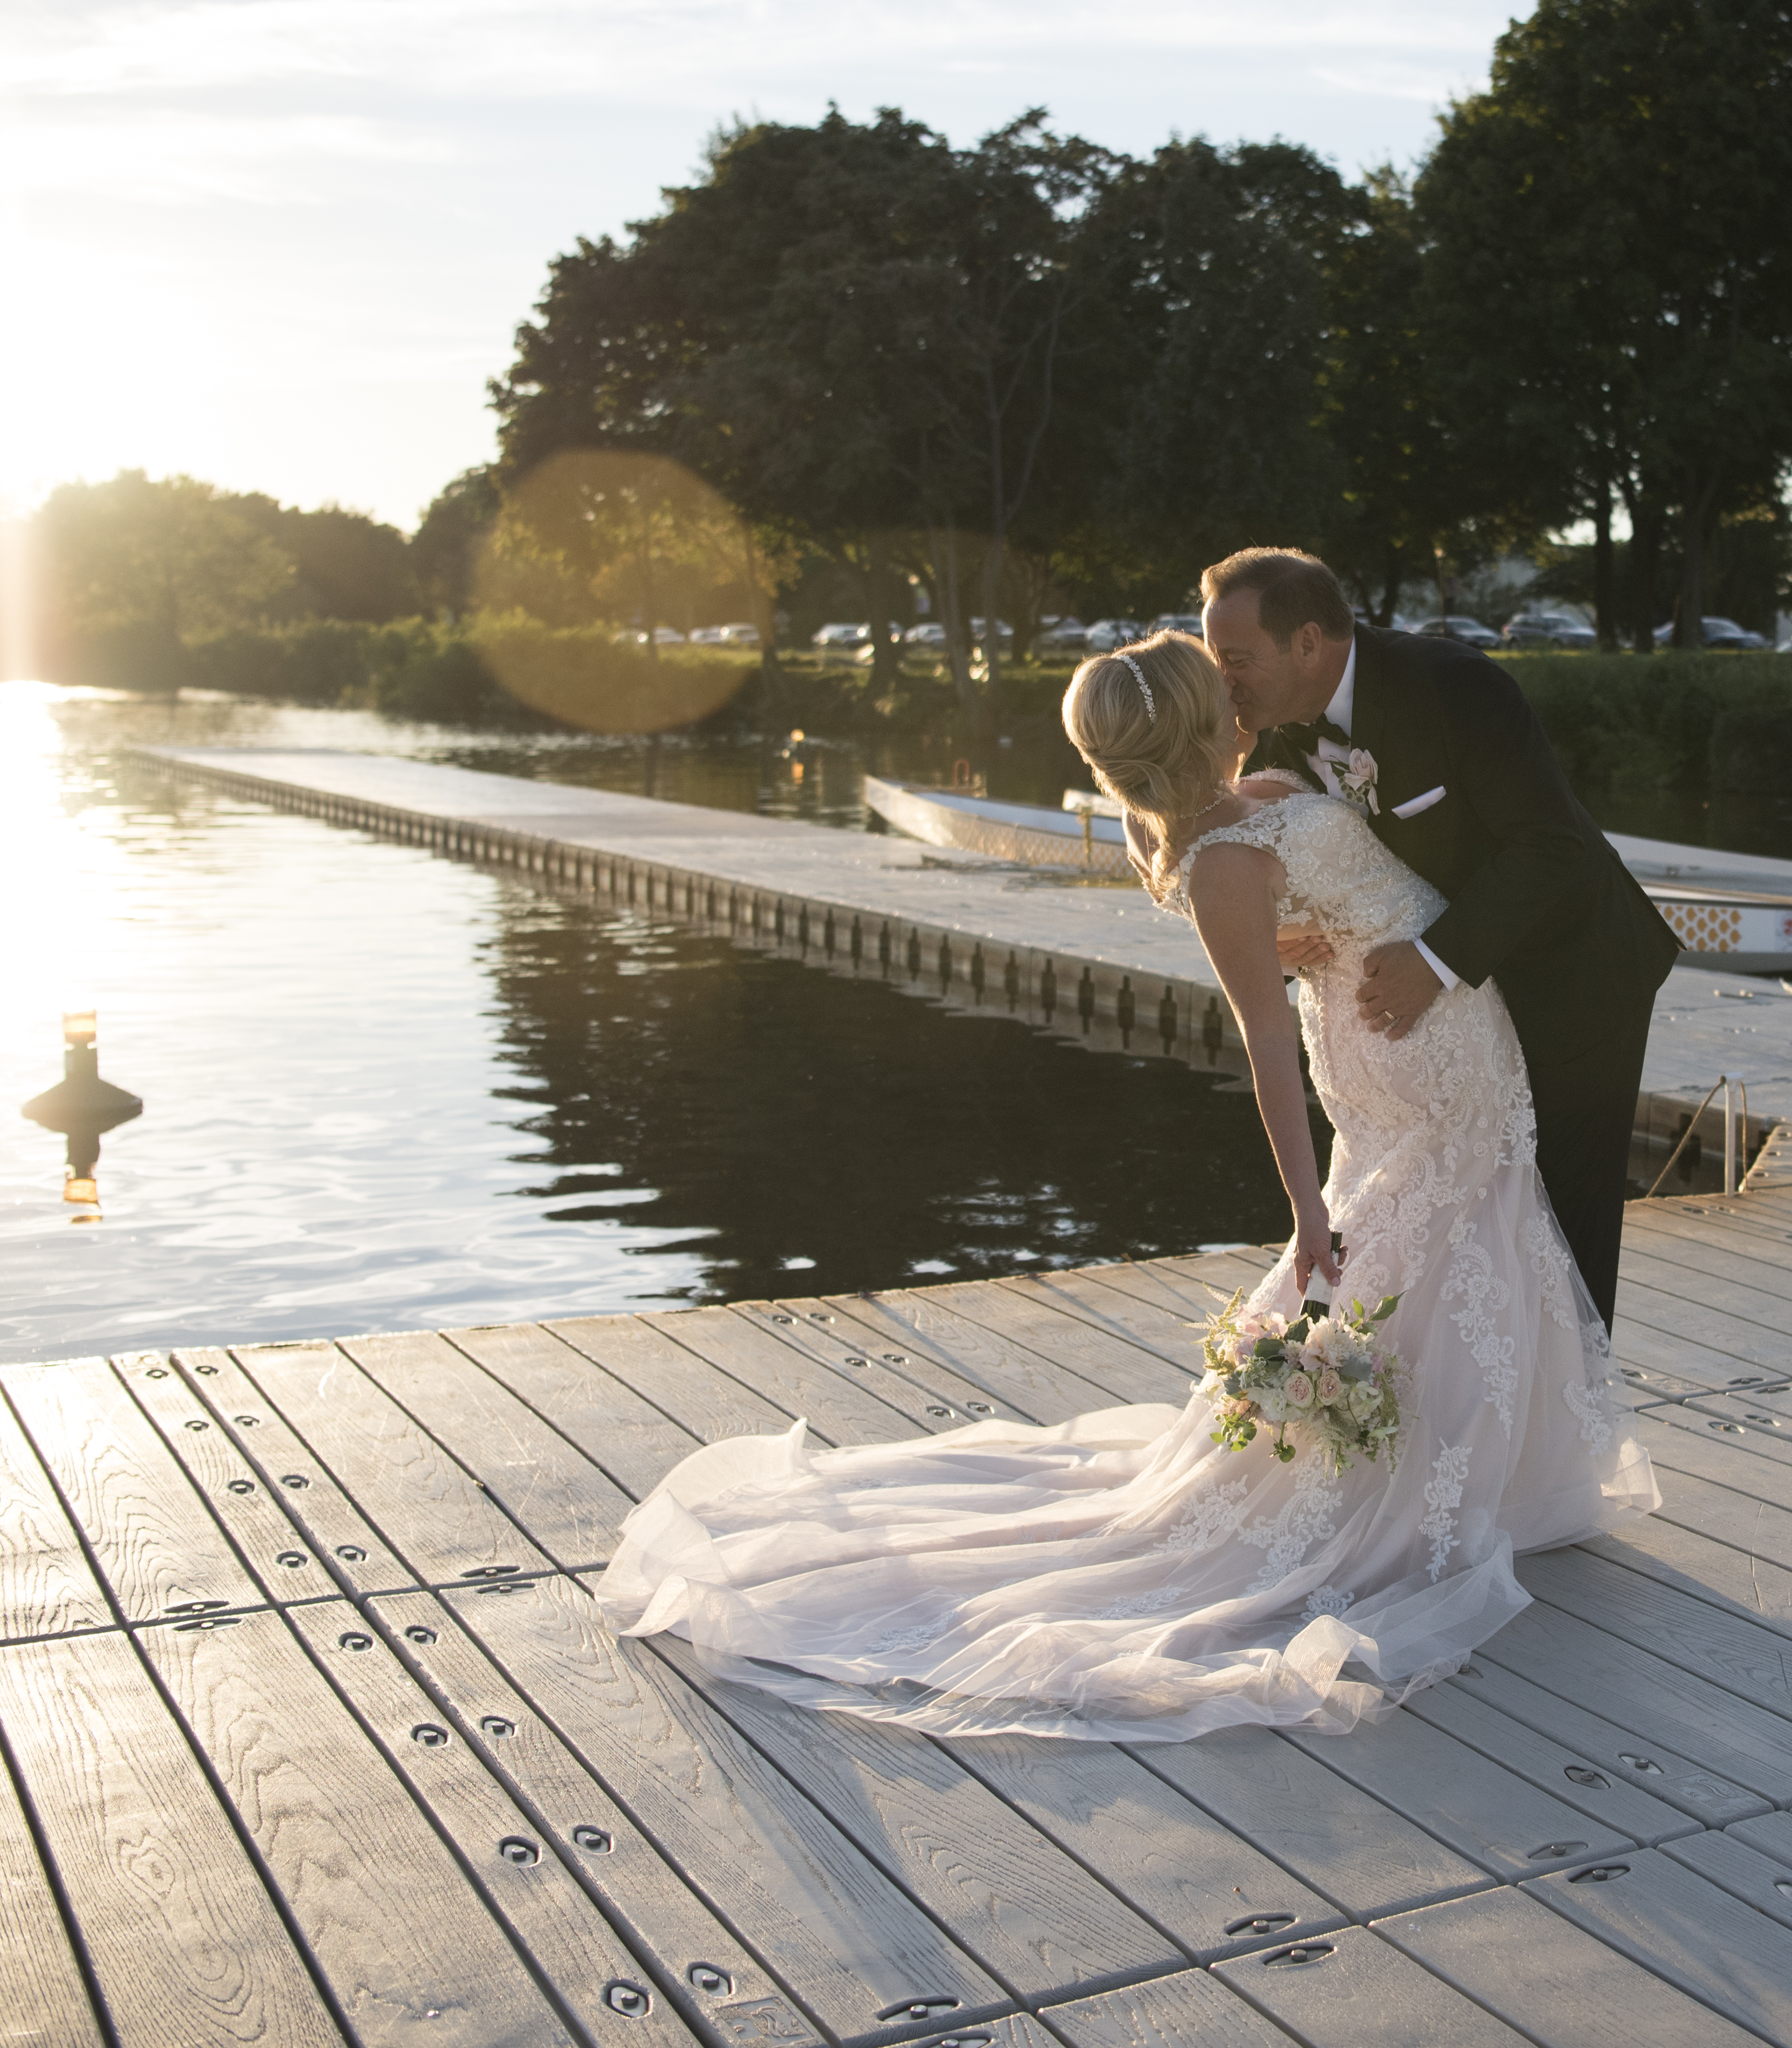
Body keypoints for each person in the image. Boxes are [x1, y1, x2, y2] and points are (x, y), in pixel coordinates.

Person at [594, 628, 1656, 1739]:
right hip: (1402, 1053)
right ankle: (1421, 1483)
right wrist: (1300, 1207)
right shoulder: (1219, 863)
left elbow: (1362, 891)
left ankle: (1475, 1466)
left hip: (1431, 1015)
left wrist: (1345, 938)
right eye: (1220, 678)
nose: (1239, 682)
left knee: (1453, 1226)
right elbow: (1262, 1046)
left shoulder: (1273, 790)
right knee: (1414, 1222)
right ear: (1201, 719)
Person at [1200, 546, 1680, 1330]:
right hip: (1451, 1028)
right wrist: (1288, 930)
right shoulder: (1283, 729)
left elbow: (1553, 845)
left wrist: (1435, 960)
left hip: (1570, 977)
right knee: (1473, 1240)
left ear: (1309, 642)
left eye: (1237, 658)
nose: (1224, 680)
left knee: (1562, 1234)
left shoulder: (1454, 685)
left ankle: (1566, 1436)